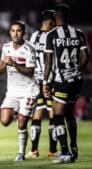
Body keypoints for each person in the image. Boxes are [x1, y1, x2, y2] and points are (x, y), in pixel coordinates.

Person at [0, 21, 38, 161]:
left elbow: (31, 71)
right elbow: (3, 62)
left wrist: (14, 63)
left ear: (24, 33)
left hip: (28, 90)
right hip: (12, 91)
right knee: (4, 120)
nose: (15, 33)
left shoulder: (29, 49)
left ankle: (21, 152)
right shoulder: (6, 47)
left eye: (19, 30)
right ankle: (19, 113)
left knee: (21, 123)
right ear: (9, 32)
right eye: (13, 30)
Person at [43, 4, 89, 163]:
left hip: (61, 81)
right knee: (69, 113)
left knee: (57, 115)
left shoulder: (52, 35)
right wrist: (77, 71)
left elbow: (48, 61)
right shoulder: (79, 33)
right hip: (77, 81)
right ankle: (74, 148)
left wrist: (45, 82)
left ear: (56, 17)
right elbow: (86, 57)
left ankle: (64, 152)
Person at [27, 9, 59, 158]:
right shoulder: (53, 36)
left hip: (35, 80)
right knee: (53, 113)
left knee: (37, 113)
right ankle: (52, 150)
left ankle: (34, 150)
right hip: (50, 80)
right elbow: (51, 60)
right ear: (51, 22)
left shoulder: (33, 36)